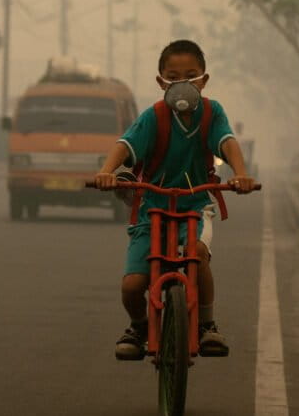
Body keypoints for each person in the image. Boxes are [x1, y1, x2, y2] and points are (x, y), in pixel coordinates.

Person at [94, 40, 256, 360]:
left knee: (197, 253)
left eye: (191, 75)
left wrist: (241, 173)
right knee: (132, 286)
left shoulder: (212, 112)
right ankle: (138, 326)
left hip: (196, 205)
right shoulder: (153, 116)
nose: (182, 84)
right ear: (160, 82)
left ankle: (207, 324)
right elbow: (125, 145)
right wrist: (106, 171)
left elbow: (227, 143)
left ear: (204, 80)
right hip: (150, 209)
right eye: (173, 77)